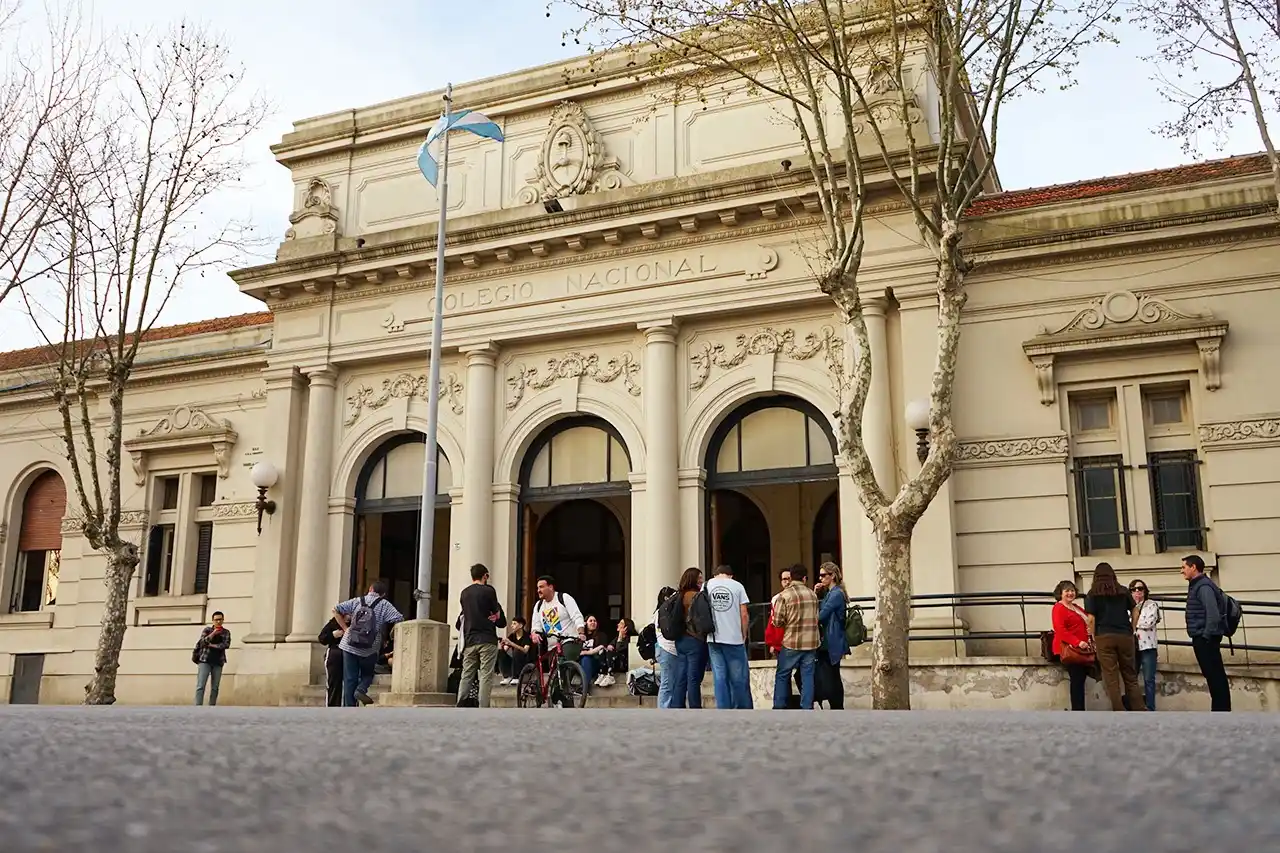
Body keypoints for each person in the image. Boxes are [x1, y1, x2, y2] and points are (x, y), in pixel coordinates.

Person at [1084, 562, 1146, 711]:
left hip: (1104, 636)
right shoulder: (1123, 591)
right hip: (1124, 635)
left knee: (1111, 677)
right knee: (1130, 675)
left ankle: (1119, 710)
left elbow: (1091, 619)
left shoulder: (1092, 594)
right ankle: (1139, 708)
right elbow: (1136, 611)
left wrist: (1091, 636)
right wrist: (1132, 628)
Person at [333, 579, 404, 707]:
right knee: (368, 673)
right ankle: (361, 689)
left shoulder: (357, 601)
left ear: (370, 589)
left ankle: (349, 707)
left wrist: (345, 628)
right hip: (369, 647)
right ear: (383, 594)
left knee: (350, 677)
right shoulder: (384, 604)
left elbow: (336, 609)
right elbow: (399, 618)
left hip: (349, 644)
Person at [1182, 554, 1231, 712]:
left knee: (1215, 676)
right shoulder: (1198, 585)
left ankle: (1221, 711)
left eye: (1184, 567)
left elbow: (1213, 613)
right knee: (1213, 675)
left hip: (1205, 638)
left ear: (1193, 567)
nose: (1182, 571)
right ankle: (1219, 710)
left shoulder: (1203, 586)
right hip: (1203, 636)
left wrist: (1206, 636)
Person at [770, 564, 819, 710]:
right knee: (808, 676)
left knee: (783, 674)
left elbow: (777, 622)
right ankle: (807, 706)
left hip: (791, 642)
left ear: (791, 577)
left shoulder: (784, 595)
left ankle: (779, 706)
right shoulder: (812, 594)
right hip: (811, 642)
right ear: (804, 578)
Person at [457, 563, 506, 708]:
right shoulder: (489, 591)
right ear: (485, 575)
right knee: (486, 674)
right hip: (487, 638)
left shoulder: (464, 593)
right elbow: (497, 614)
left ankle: (461, 702)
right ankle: (483, 706)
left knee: (467, 674)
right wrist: (495, 616)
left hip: (469, 639)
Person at [705, 564, 752, 709]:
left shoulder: (707, 585)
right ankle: (742, 707)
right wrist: (744, 633)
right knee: (738, 677)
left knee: (719, 676)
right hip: (734, 637)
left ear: (715, 574)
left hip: (713, 637)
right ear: (730, 575)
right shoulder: (737, 586)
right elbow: (744, 613)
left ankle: (723, 708)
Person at [814, 562, 850, 710]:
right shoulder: (830, 593)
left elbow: (821, 615)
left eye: (823, 575)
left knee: (832, 675)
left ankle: (837, 707)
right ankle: (836, 706)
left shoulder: (835, 594)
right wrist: (816, 594)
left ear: (832, 576)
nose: (820, 578)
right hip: (829, 640)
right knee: (831, 675)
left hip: (832, 641)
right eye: (820, 575)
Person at [1051, 580, 1091, 711]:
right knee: (1077, 679)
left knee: (1080, 679)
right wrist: (1077, 642)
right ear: (1060, 593)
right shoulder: (1058, 607)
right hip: (1069, 649)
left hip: (1082, 650)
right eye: (1067, 590)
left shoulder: (1077, 608)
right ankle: (1078, 710)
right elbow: (1060, 629)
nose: (1070, 593)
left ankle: (1079, 708)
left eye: (1072, 590)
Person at [674, 567, 709, 709]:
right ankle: (695, 706)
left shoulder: (678, 596)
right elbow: (704, 618)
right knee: (694, 677)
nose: (702, 580)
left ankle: (677, 705)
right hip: (694, 639)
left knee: (681, 675)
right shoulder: (697, 596)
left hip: (680, 640)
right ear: (693, 579)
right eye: (699, 577)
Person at [529, 575, 586, 661]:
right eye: (538, 588)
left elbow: (577, 616)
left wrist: (581, 633)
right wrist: (534, 634)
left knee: (566, 665)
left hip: (570, 640)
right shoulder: (538, 605)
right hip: (552, 645)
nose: (538, 591)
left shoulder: (564, 598)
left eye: (541, 587)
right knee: (554, 671)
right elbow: (536, 625)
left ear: (550, 587)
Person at [1129, 578, 1161, 711]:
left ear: (1145, 591)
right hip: (1132, 646)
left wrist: (1132, 623)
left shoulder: (1151, 604)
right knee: (1131, 678)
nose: (1137, 591)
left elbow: (1149, 622)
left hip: (1148, 646)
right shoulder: (1128, 606)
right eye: (1134, 589)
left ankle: (1150, 707)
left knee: (1149, 679)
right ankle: (1135, 706)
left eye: (1140, 588)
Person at [194, 611, 231, 706]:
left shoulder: (226, 632)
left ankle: (212, 705)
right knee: (200, 685)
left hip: (218, 661)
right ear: (213, 620)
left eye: (220, 619)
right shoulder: (207, 630)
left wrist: (212, 645)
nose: (218, 621)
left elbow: (225, 645)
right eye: (216, 620)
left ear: (223, 620)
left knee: (215, 687)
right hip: (205, 660)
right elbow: (203, 642)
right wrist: (213, 633)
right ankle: (198, 706)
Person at [651, 586, 680, 708]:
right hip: (667, 648)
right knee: (667, 682)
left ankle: (668, 707)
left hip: (664, 648)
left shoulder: (657, 612)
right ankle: (663, 708)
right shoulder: (663, 612)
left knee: (670, 681)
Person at [764, 566, 794, 656]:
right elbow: (773, 621)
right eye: (784, 579)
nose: (787, 582)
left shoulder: (801, 596)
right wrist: (772, 643)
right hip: (782, 644)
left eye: (790, 579)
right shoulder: (776, 599)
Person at [317, 616, 345, 707]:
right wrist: (333, 635)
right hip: (335, 654)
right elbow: (322, 638)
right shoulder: (334, 622)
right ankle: (332, 706)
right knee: (333, 683)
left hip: (350, 654)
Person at [499, 617, 533, 685]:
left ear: (521, 625)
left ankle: (516, 677)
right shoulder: (512, 635)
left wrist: (512, 644)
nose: (512, 626)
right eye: (512, 624)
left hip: (525, 661)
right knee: (500, 652)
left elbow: (525, 650)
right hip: (514, 660)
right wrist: (502, 645)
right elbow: (505, 649)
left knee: (517, 651)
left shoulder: (526, 636)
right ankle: (507, 677)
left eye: (514, 624)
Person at [579, 615, 608, 690]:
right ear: (585, 623)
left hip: (595, 662)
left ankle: (584, 688)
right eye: (590, 621)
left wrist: (585, 652)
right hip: (579, 664)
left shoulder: (601, 635)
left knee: (586, 659)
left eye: (594, 621)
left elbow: (602, 647)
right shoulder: (580, 636)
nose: (593, 622)